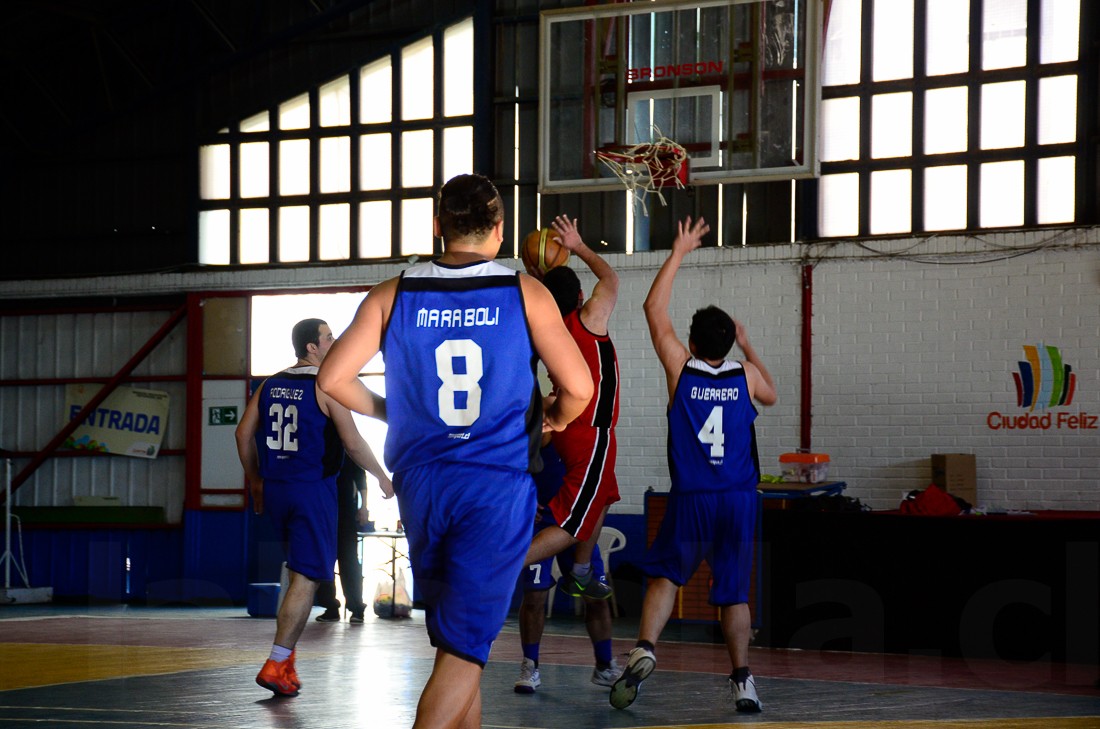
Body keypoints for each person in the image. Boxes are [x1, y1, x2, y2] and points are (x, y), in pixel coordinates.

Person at [317, 173, 593, 729]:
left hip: (422, 483)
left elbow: (332, 378)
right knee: (466, 649)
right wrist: (557, 419)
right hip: (493, 482)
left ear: (438, 226)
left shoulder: (392, 293)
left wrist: (397, 411)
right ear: (500, 230)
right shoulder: (525, 292)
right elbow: (579, 388)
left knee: (456, 639)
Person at [610, 217, 777, 713]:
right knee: (734, 593)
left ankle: (645, 647)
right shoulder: (746, 375)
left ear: (694, 343)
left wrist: (680, 251)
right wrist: (748, 346)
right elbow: (772, 395)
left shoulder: (680, 369)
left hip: (692, 498)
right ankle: (743, 680)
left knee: (666, 576)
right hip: (739, 499)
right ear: (726, 343)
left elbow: (652, 308)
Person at [235, 318, 392, 697]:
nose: (334, 341)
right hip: (311, 491)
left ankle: (286, 660)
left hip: (276, 490)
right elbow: (352, 443)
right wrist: (382, 477)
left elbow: (242, 433)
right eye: (328, 337)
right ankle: (277, 662)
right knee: (306, 580)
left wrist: (255, 479)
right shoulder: (325, 384)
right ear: (312, 347)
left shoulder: (270, 384)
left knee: (297, 576)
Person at [522, 215, 621, 603]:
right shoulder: (587, 321)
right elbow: (610, 280)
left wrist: (539, 279)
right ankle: (500, 564)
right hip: (589, 430)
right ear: (581, 297)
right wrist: (577, 246)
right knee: (571, 521)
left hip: (571, 429)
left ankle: (580, 571)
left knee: (605, 494)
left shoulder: (548, 333)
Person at [514, 440, 619, 694]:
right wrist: (524, 498)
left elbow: (602, 494)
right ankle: (530, 665)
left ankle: (604, 665)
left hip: (576, 522)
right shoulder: (542, 428)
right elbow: (510, 464)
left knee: (596, 596)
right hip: (541, 522)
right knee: (534, 596)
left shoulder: (594, 440)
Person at [315, 455, 391, 624]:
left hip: (346, 511)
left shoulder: (347, 451)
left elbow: (360, 477)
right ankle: (331, 607)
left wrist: (364, 506)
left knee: (349, 561)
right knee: (323, 560)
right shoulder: (320, 449)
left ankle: (356, 608)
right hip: (322, 510)